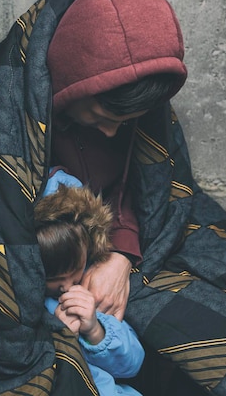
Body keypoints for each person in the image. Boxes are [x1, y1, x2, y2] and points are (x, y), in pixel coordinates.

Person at [0, 0, 226, 396]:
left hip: (136, 240)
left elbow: (150, 189)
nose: (113, 130)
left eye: (127, 120)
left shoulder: (131, 94)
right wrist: (77, 271)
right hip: (55, 264)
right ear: (76, 82)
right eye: (105, 114)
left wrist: (121, 256)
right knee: (224, 343)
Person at [35, 169, 144, 396]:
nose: (67, 287)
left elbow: (133, 363)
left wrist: (96, 330)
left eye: (74, 271)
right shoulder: (31, 303)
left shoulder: (90, 287)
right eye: (53, 280)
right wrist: (59, 339)